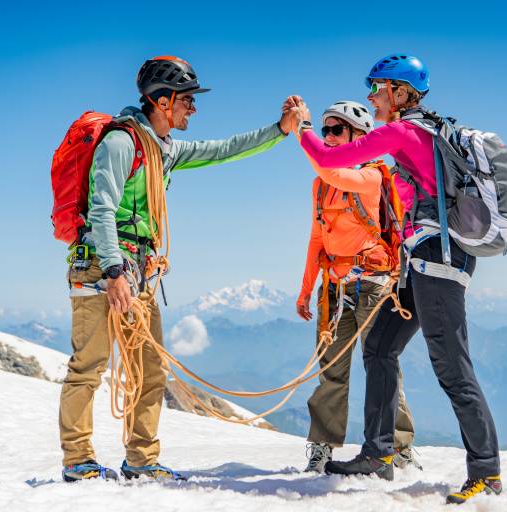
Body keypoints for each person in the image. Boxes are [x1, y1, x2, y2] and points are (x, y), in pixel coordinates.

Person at [59, 56, 297, 482]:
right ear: (163, 101)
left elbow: (223, 149)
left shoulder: (164, 149)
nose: (194, 109)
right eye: (187, 100)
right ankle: (77, 460)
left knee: (149, 370)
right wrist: (114, 271)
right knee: (89, 366)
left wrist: (279, 130)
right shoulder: (121, 143)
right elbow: (102, 208)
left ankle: (141, 459)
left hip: (138, 272)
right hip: (102, 268)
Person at [288, 54, 501, 503]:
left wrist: (303, 127)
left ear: (400, 93)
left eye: (377, 88)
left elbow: (329, 160)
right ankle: (378, 454)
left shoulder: (404, 131)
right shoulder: (424, 132)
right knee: (381, 347)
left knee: (453, 369)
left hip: (436, 262)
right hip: (420, 260)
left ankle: (486, 472)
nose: (371, 96)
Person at [295, 101, 420, 473]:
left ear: (358, 137)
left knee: (382, 365)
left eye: (337, 130)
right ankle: (323, 446)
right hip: (334, 289)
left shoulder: (371, 178)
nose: (329, 137)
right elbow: (317, 239)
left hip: (372, 286)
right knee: (331, 369)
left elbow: (334, 173)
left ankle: (398, 446)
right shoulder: (321, 185)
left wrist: (303, 131)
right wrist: (305, 290)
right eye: (326, 130)